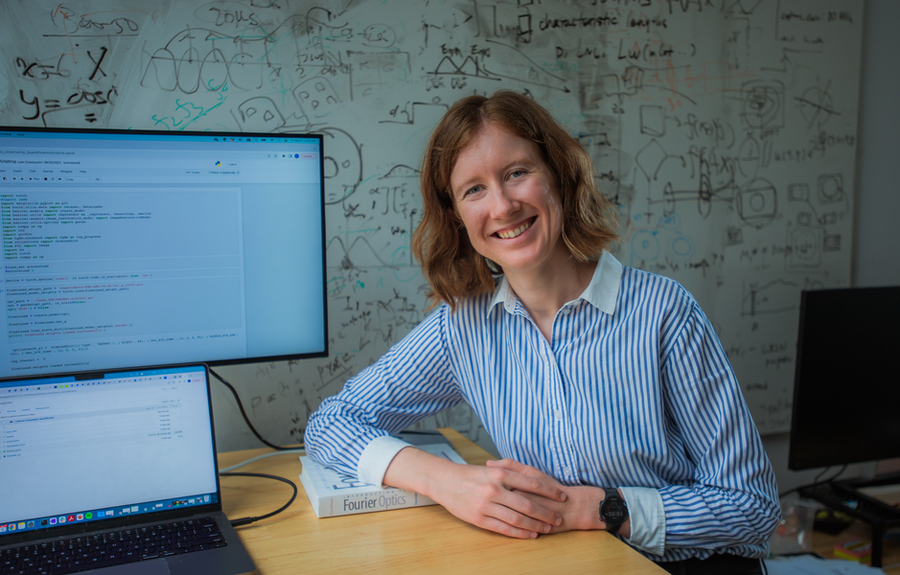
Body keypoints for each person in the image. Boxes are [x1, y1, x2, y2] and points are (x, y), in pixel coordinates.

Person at [304, 90, 781, 574]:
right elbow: (331, 423)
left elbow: (752, 506)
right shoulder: (463, 325)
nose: (503, 205)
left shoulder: (664, 313)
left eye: (516, 173)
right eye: (474, 190)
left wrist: (597, 509)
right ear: (456, 215)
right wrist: (447, 482)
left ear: (559, 175)